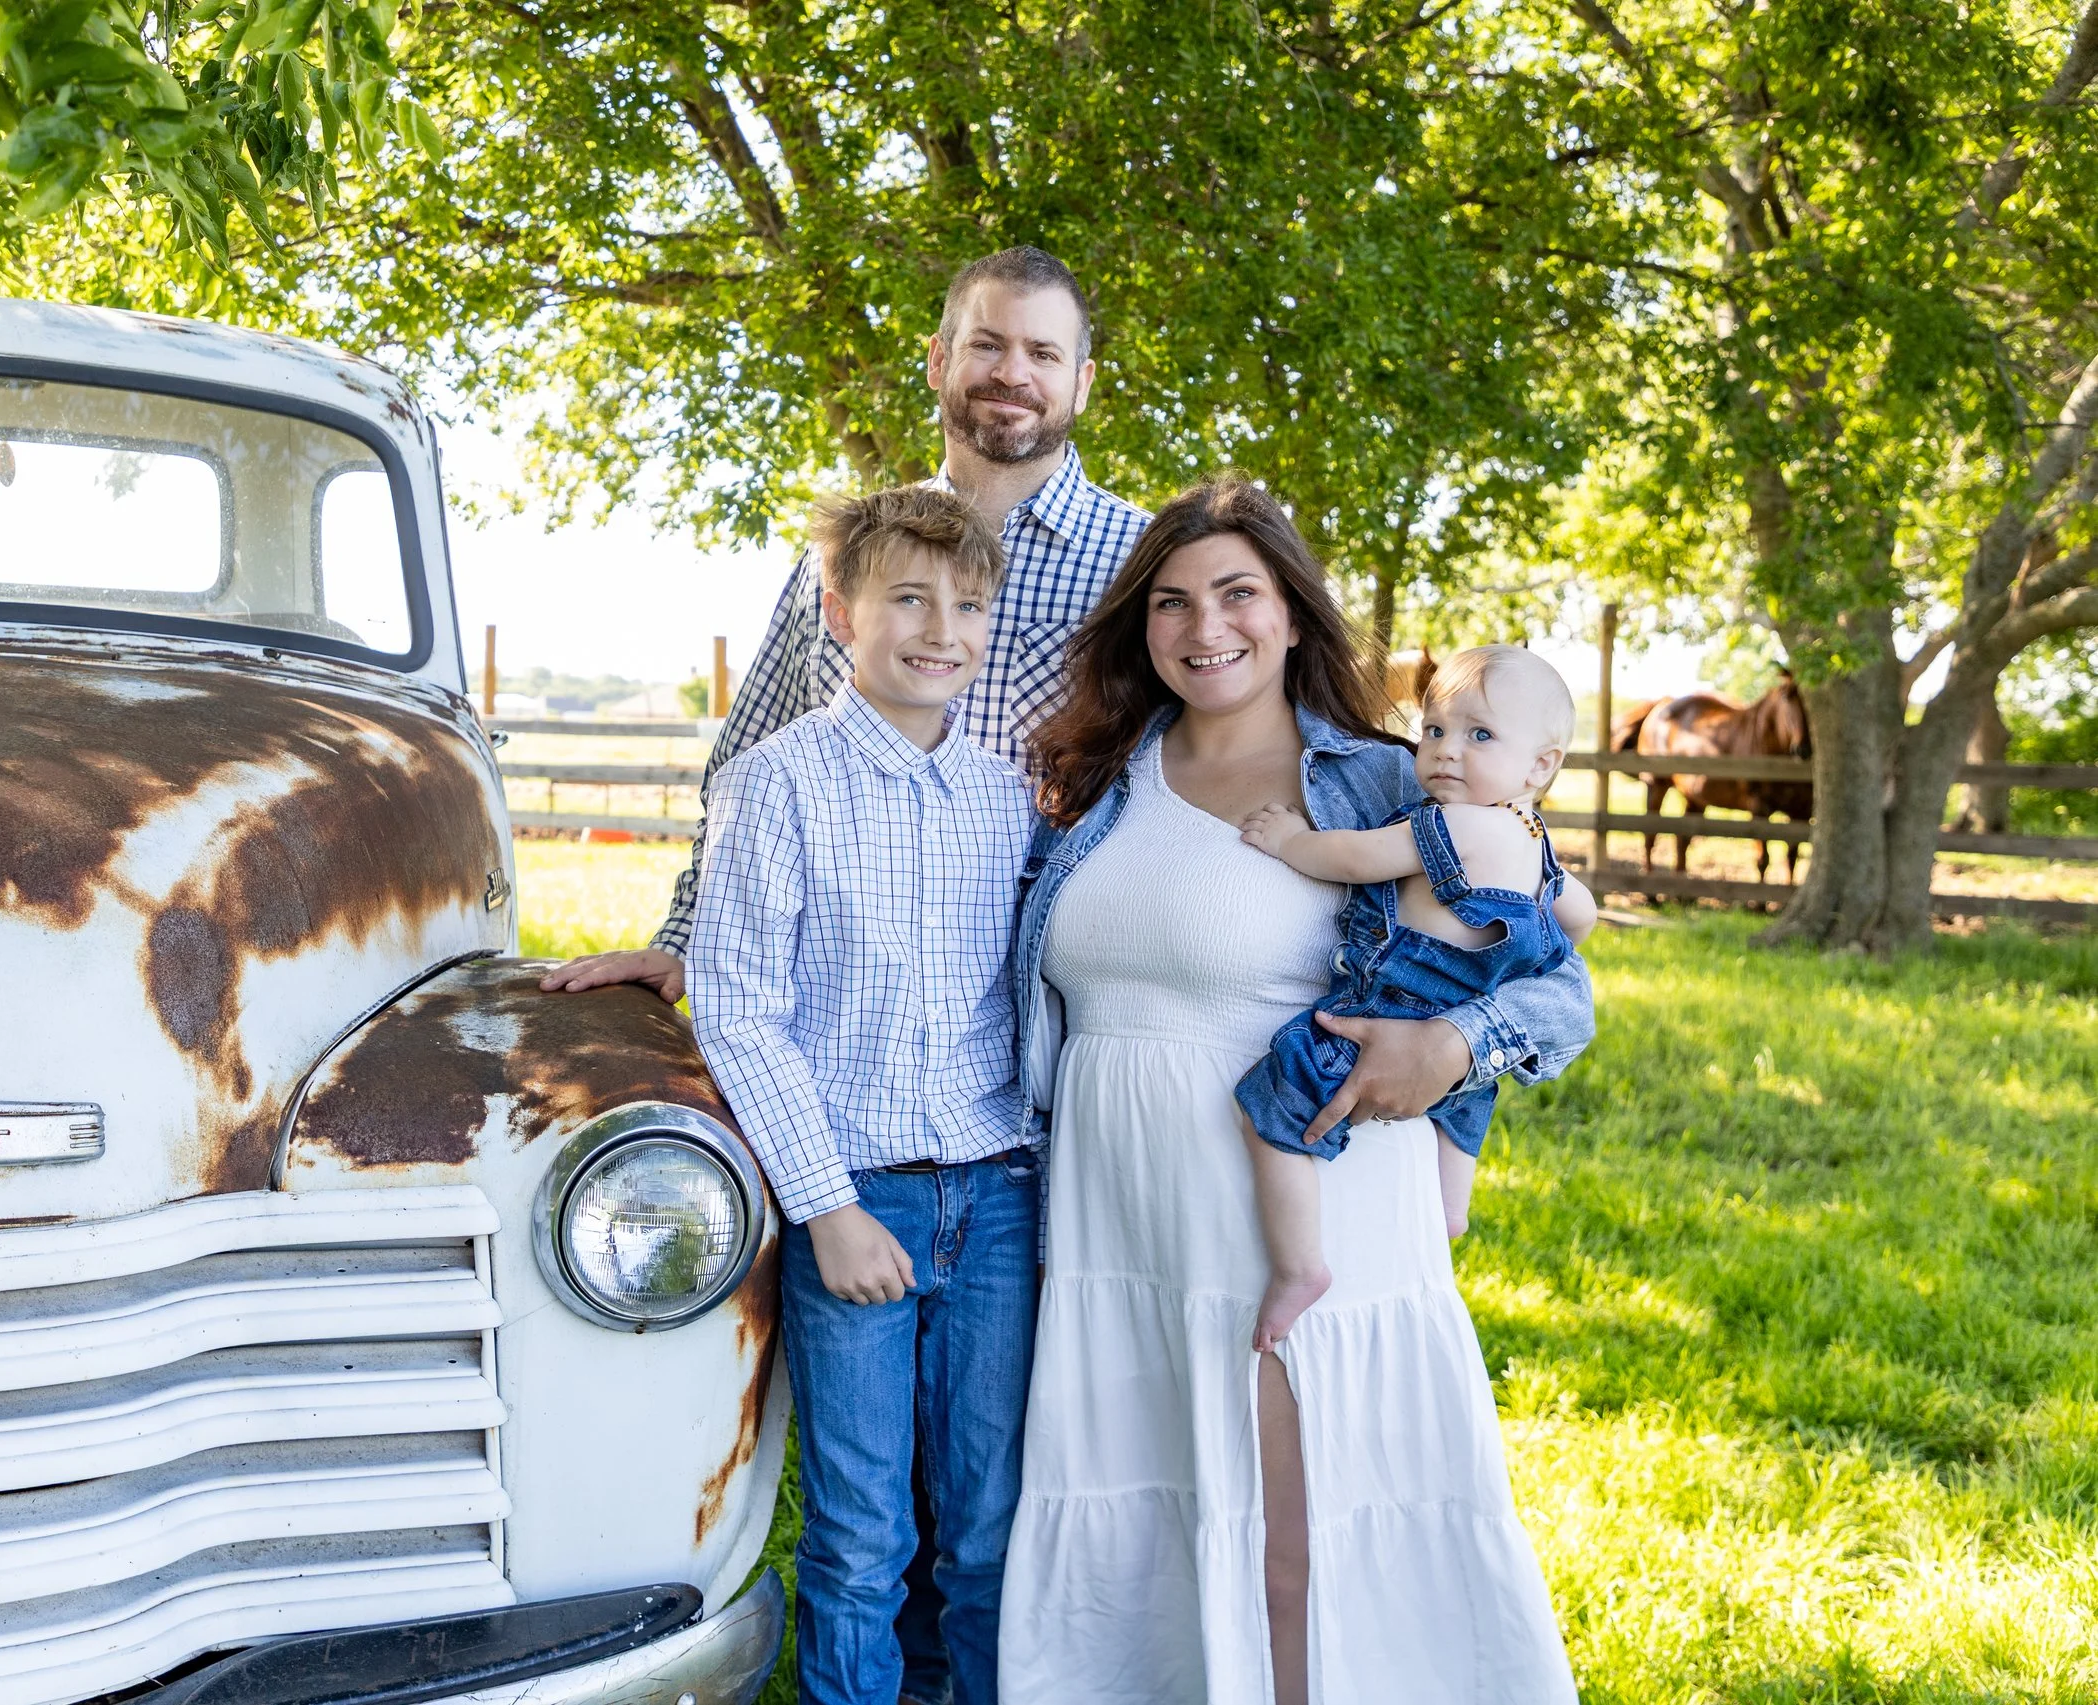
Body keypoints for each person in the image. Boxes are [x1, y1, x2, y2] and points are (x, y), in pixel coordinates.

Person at [542, 243, 1142, 1705]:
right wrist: (689, 937)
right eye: (987, 345)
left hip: (1017, 1107)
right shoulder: (844, 569)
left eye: (1044, 354)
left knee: (989, 1509)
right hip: (861, 1128)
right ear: (941, 362)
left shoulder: (1132, 563)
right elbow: (746, 752)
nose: (1012, 375)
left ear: (1078, 382)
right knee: (866, 1522)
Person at [1000, 478, 1587, 1704]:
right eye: (1170, 601)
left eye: (1235, 593)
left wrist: (1457, 1048)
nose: (1202, 624)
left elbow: (1556, 977)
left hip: (1299, 1201)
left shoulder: (1380, 780)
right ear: (1140, 626)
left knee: (1293, 1532)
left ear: (1288, 611)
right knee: (1144, 1525)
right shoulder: (1094, 778)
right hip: (1115, 1213)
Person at [689, 485, 1038, 1705]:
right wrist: (828, 1208)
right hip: (858, 1197)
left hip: (996, 1198)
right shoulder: (778, 784)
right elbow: (737, 1007)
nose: (940, 627)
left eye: (967, 604)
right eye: (906, 598)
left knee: (989, 1530)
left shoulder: (1003, 797)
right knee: (858, 1535)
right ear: (838, 612)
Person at [1233, 643, 1601, 1343]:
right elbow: (1577, 916)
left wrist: (1288, 839)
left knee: (1272, 1106)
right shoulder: (1536, 844)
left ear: (1542, 765)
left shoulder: (1450, 824)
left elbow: (1353, 857)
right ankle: (1449, 1212)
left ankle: (1298, 1265)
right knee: (1453, 1156)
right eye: (1433, 730)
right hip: (1464, 1060)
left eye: (1478, 735)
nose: (1445, 752)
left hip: (1388, 1017)